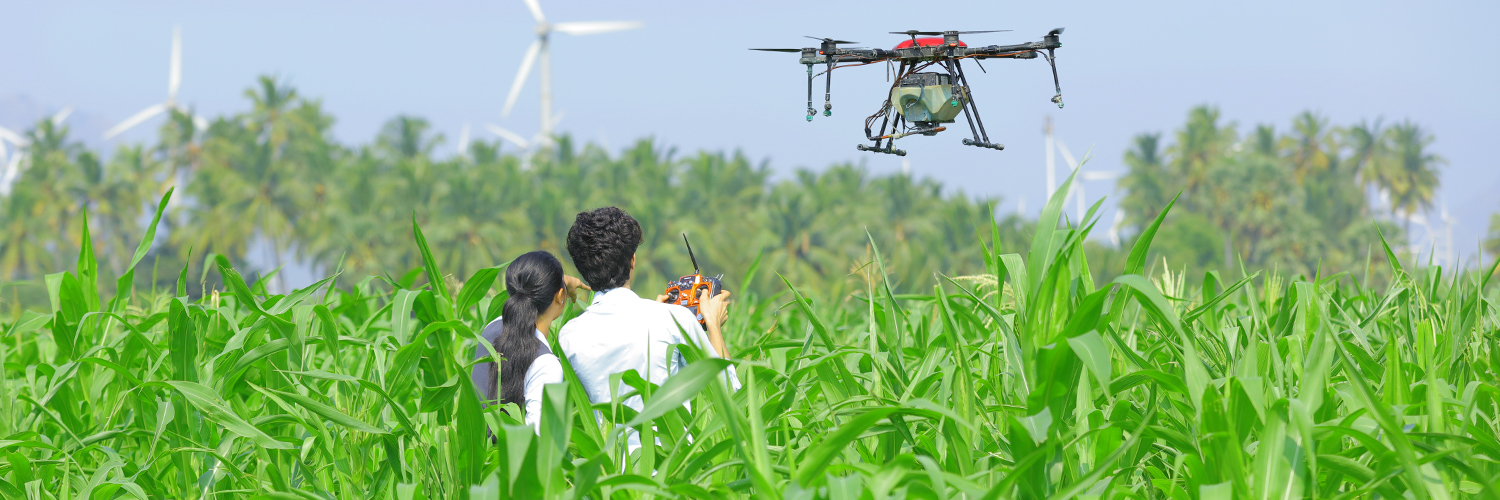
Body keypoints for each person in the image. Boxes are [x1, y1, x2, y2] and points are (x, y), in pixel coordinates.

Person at [559, 207, 738, 444]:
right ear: (632, 261)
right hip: (670, 469)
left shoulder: (568, 335)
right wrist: (713, 325)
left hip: (605, 472)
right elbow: (730, 393)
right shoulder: (675, 320)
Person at [470, 250, 587, 432]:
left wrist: (561, 285)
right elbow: (540, 442)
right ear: (560, 296)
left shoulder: (492, 328)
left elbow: (528, 288)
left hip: (475, 454)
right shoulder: (546, 364)